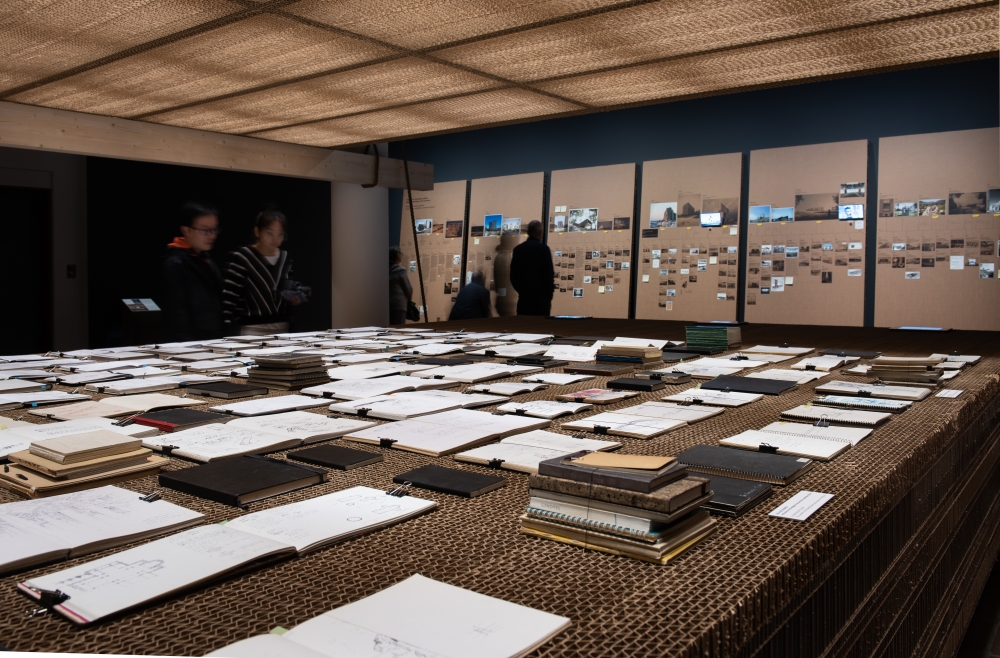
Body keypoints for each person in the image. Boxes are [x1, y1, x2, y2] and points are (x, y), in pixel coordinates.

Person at [222, 208, 298, 336]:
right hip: (251, 329)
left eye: (280, 234)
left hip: (282, 328)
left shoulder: (286, 258)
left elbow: (286, 290)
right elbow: (230, 297)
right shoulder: (242, 257)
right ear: (257, 231)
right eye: (270, 233)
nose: (275, 239)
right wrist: (226, 328)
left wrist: (293, 297)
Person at [161, 202, 224, 342]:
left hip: (212, 340)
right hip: (189, 343)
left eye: (215, 229)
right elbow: (177, 314)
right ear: (186, 230)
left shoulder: (208, 260)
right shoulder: (175, 263)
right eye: (205, 230)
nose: (212, 236)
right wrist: (187, 345)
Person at [509, 220, 554, 316]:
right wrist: (548, 297)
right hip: (541, 302)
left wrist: (522, 292)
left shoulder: (518, 250)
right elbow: (549, 275)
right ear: (540, 232)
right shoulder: (543, 249)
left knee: (524, 324)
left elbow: (514, 276)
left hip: (524, 300)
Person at [389, 246, 412, 325]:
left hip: (387, 306)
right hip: (399, 305)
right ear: (397, 256)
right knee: (398, 328)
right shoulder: (400, 270)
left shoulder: (386, 270)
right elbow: (408, 288)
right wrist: (409, 301)